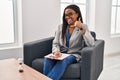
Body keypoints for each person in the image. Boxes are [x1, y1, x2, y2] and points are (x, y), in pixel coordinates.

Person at [43, 4, 95, 80]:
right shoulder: (60, 27)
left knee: (64, 60)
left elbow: (91, 43)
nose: (67, 17)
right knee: (48, 59)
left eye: (70, 14)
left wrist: (81, 28)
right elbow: (55, 43)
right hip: (61, 54)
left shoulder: (83, 26)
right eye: (66, 15)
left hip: (74, 55)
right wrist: (56, 51)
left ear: (77, 14)